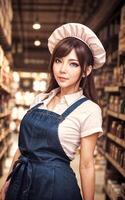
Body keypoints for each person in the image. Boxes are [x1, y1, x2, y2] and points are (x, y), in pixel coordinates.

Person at [1, 23, 106, 200]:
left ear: (86, 70)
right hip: (20, 182)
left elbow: (87, 164)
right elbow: (22, 148)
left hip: (55, 188)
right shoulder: (39, 100)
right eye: (58, 60)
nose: (62, 69)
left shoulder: (89, 109)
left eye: (73, 64)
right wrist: (8, 180)